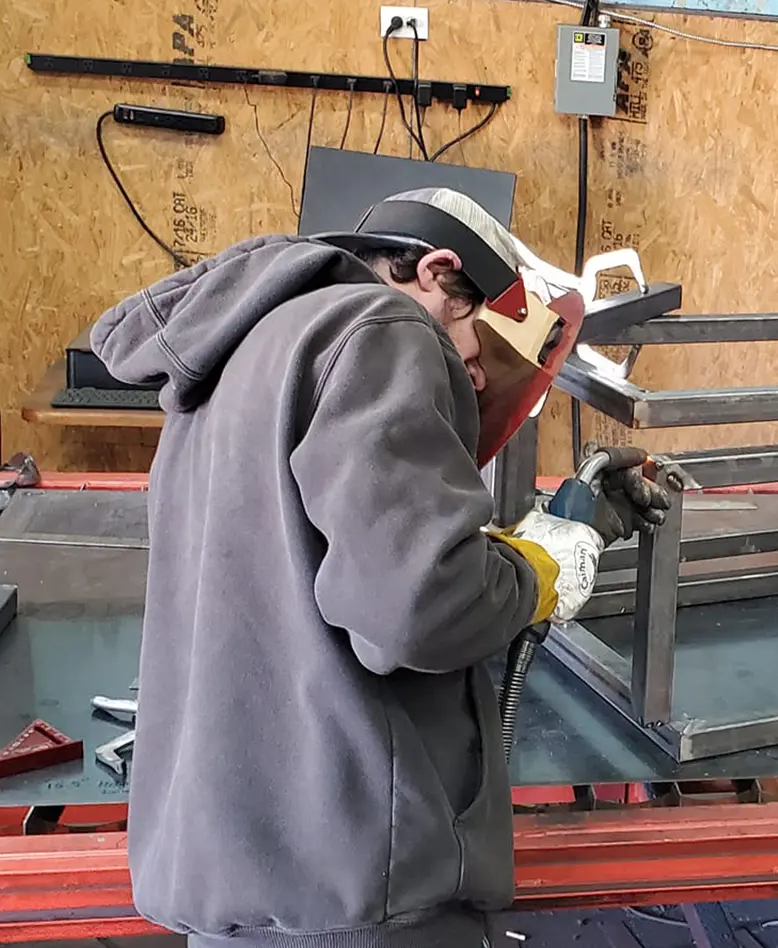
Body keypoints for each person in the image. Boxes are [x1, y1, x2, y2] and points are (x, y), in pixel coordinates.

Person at [91, 188, 669, 948]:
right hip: (358, 892)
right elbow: (419, 609)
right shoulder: (383, 326)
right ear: (436, 271)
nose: (468, 388)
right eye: (470, 361)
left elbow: (333, 559)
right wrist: (545, 566)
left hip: (247, 885)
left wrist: (525, 543)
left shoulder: (241, 352)